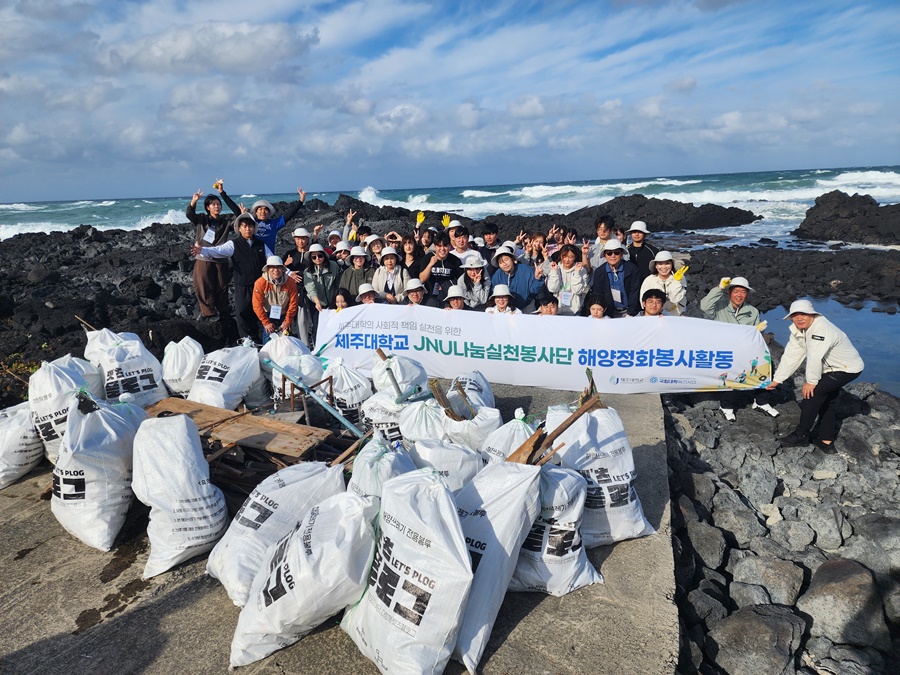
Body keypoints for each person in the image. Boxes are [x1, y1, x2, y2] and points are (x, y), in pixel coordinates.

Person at [767, 300, 864, 450]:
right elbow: (792, 356)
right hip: (832, 369)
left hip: (847, 369)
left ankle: (801, 435)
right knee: (828, 400)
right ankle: (826, 442)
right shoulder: (798, 330)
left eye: (803, 314)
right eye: (795, 315)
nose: (799, 318)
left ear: (812, 315)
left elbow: (814, 356)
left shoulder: (821, 328)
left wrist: (811, 381)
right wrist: (777, 380)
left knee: (812, 395)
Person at [700, 276, 777, 421]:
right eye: (736, 291)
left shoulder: (752, 311)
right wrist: (719, 288)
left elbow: (755, 337)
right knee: (733, 368)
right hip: (722, 351)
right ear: (729, 292)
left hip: (745, 350)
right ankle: (726, 406)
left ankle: (761, 402)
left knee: (768, 366)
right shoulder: (719, 306)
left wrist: (758, 331)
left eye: (743, 292)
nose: (739, 295)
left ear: (747, 294)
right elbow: (704, 306)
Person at [191, 213, 269, 340]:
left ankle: (257, 339)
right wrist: (202, 250)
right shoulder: (233, 244)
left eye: (250, 226)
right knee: (241, 312)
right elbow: (218, 250)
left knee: (258, 312)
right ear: (239, 228)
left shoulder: (261, 244)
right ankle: (246, 340)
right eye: (244, 226)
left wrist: (287, 272)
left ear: (254, 228)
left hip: (260, 285)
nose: (247, 229)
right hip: (242, 284)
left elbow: (271, 261)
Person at [187, 181, 241, 320]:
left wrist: (222, 193)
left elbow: (239, 217)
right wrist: (193, 202)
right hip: (203, 259)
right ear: (208, 207)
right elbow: (189, 214)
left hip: (220, 259)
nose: (216, 206)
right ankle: (208, 312)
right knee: (203, 285)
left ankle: (223, 310)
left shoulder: (225, 222)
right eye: (213, 204)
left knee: (222, 286)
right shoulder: (202, 219)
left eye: (218, 204)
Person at [252, 256, 300, 340]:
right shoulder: (260, 283)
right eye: (272, 267)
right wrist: (266, 323)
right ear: (267, 269)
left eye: (278, 267)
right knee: (268, 340)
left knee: (286, 341)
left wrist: (287, 321)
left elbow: (293, 303)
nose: (276, 270)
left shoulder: (290, 282)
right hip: (267, 315)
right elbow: (257, 305)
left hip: (285, 315)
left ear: (283, 269)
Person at [590, 240, 640, 318]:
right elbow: (598, 295)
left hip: (629, 312)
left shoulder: (632, 269)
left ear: (621, 254)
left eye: (616, 253)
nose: (613, 256)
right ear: (605, 255)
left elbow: (635, 292)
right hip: (609, 313)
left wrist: (630, 313)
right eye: (609, 253)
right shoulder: (599, 272)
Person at [247, 187, 307, 253]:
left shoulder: (274, 223)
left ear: (269, 212)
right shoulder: (251, 222)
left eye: (266, 209)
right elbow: (239, 217)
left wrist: (301, 201)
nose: (263, 212)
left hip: (269, 258)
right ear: (256, 212)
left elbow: (289, 214)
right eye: (260, 209)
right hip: (254, 257)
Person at [490, 247, 545, 313]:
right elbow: (495, 295)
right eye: (501, 262)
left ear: (513, 259)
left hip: (526, 306)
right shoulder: (496, 276)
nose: (504, 264)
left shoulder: (525, 270)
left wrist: (537, 278)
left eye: (506, 259)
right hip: (506, 309)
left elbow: (534, 290)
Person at [410, 232, 462, 302]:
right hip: (429, 297)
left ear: (449, 246)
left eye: (445, 246)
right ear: (435, 246)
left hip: (449, 299)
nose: (442, 249)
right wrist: (430, 265)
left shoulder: (455, 261)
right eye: (439, 246)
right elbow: (422, 279)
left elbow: (461, 282)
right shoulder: (427, 258)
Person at [303, 243, 340, 328]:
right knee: (318, 327)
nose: (317, 259)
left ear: (324, 256)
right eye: (314, 257)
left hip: (332, 302)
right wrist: (317, 301)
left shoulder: (333, 265)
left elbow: (338, 282)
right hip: (316, 303)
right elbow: (310, 288)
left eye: (320, 256)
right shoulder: (308, 271)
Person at [546, 244, 589, 316]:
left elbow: (577, 290)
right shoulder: (555, 268)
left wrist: (577, 273)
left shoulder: (581, 270)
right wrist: (555, 272)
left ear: (575, 257)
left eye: (570, 257)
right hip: (558, 310)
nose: (567, 260)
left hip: (575, 311)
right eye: (564, 256)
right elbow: (552, 289)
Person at [640, 251, 687, 316]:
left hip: (677, 314)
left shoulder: (680, 278)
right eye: (660, 264)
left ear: (672, 265)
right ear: (656, 265)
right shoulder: (649, 280)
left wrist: (677, 282)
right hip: (656, 315)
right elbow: (643, 302)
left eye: (667, 263)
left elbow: (675, 299)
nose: (664, 267)